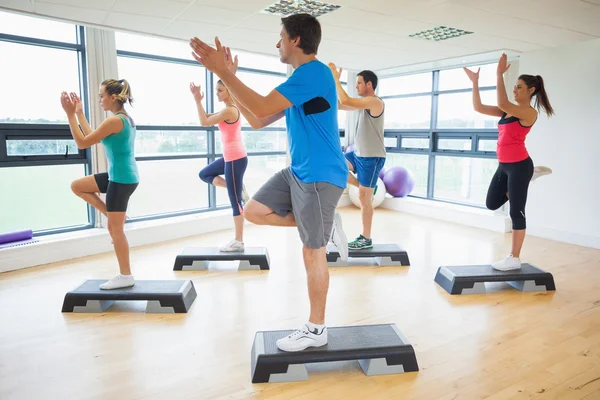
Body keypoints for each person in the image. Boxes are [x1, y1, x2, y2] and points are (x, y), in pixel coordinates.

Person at [189, 13, 349, 352]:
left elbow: (259, 104)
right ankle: (324, 223)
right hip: (299, 171)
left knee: (311, 251)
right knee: (254, 211)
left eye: (281, 37)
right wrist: (229, 78)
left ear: (295, 40)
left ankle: (316, 329)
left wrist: (222, 72)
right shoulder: (298, 80)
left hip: (320, 174)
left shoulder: (314, 73)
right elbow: (259, 118)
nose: (277, 43)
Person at [464, 53, 554, 271]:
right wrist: (475, 83)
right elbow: (479, 108)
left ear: (531, 90)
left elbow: (502, 101)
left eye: (519, 87)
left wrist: (498, 75)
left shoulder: (528, 112)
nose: (515, 90)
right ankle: (527, 180)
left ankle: (514, 258)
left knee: (516, 211)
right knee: (492, 203)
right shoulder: (508, 110)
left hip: (520, 165)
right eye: (514, 86)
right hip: (504, 165)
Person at [60, 79, 139, 289]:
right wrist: (79, 113)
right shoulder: (123, 119)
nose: (99, 100)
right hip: (122, 176)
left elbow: (82, 142)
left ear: (113, 97)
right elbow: (93, 136)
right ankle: (112, 216)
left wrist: (69, 115)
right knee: (78, 186)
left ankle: (126, 275)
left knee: (115, 230)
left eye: (101, 95)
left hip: (121, 180)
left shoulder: (115, 121)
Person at [329, 64, 385, 250]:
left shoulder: (376, 102)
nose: (356, 86)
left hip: (372, 157)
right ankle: (363, 185)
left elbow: (346, 100)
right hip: (358, 153)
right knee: (336, 164)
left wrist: (337, 79)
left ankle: (365, 238)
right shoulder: (362, 104)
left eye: (359, 83)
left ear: (369, 84)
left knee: (363, 199)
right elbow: (340, 103)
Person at [190, 80, 249, 252]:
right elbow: (207, 117)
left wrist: (197, 99)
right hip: (230, 158)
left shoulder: (230, 110)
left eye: (220, 90)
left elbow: (204, 122)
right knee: (205, 174)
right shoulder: (227, 109)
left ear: (229, 92)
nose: (216, 93)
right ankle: (238, 188)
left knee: (235, 202)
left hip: (234, 159)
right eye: (216, 90)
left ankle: (239, 241)